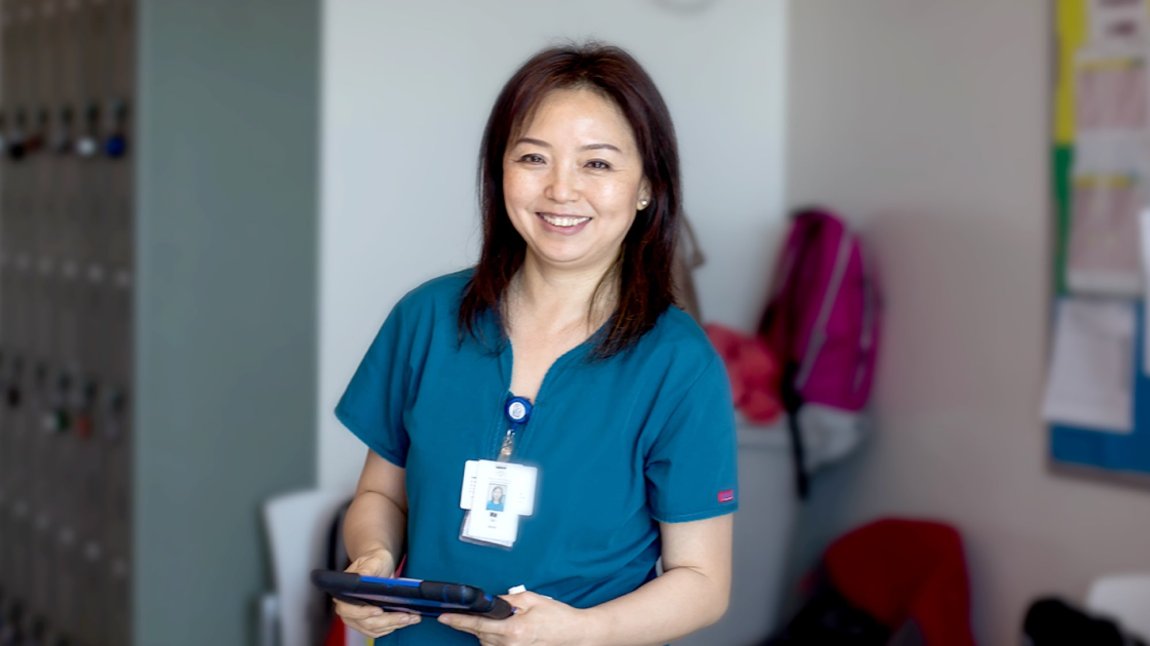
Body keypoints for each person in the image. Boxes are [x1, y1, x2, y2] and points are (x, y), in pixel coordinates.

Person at [333, 42, 738, 645]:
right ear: (500, 172)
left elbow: (703, 580)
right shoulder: (427, 318)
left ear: (647, 186)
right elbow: (377, 494)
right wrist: (371, 562)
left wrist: (583, 631)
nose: (561, 190)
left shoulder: (678, 364)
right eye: (533, 158)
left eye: (596, 164)